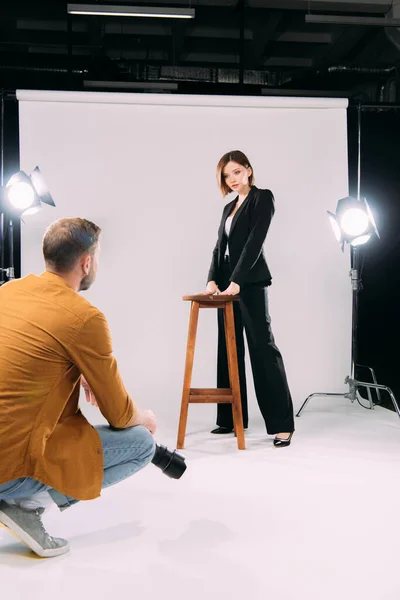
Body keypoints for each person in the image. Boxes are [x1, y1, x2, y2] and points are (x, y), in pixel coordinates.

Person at [0, 218, 156, 558]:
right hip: (7, 468)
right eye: (97, 257)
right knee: (142, 443)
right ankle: (23, 506)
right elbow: (120, 414)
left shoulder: (7, 292)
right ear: (86, 262)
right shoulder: (85, 318)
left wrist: (75, 370)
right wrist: (145, 417)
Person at [205, 150, 295, 446]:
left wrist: (237, 281)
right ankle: (231, 418)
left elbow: (255, 241)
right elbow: (220, 247)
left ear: (249, 170)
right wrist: (212, 279)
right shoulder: (228, 208)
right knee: (228, 348)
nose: (232, 179)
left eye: (236, 172)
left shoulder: (262, 198)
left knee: (262, 348)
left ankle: (282, 424)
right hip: (227, 283)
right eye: (226, 175)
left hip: (250, 282)